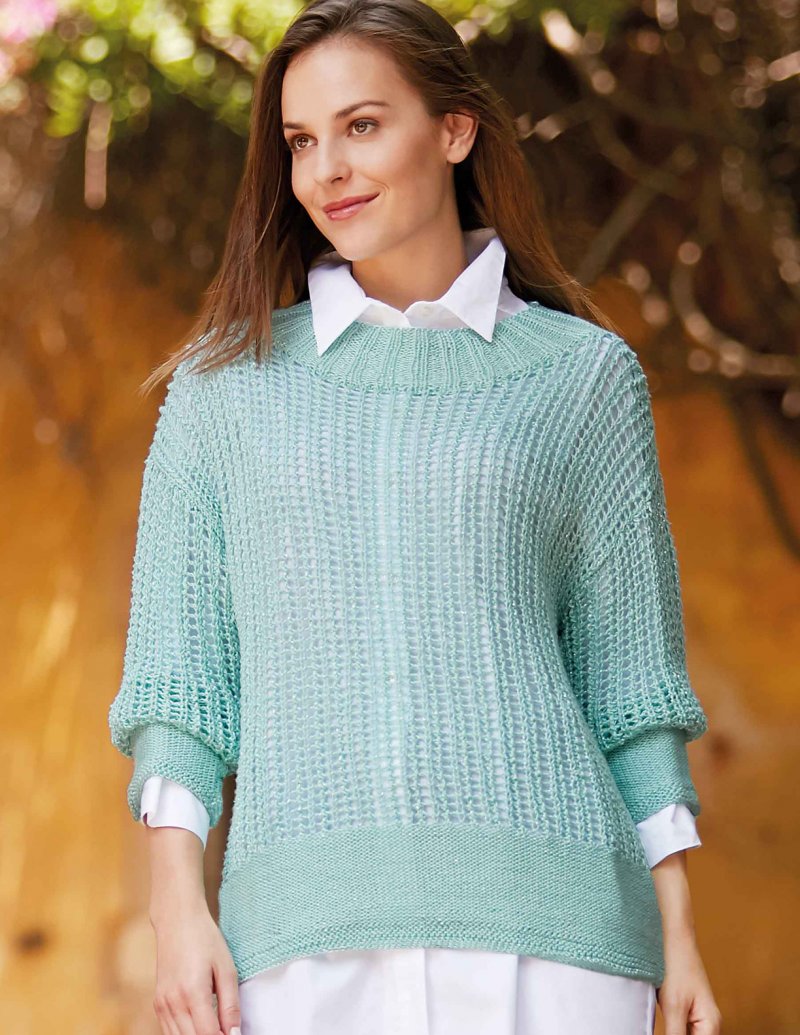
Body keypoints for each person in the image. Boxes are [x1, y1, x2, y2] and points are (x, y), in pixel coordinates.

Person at [107, 2, 723, 1033]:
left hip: (559, 942)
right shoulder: (222, 394)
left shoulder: (582, 379)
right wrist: (178, 914)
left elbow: (631, 689)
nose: (327, 171)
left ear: (454, 129)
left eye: (361, 125)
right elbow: (182, 693)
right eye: (302, 142)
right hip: (299, 946)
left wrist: (680, 935)